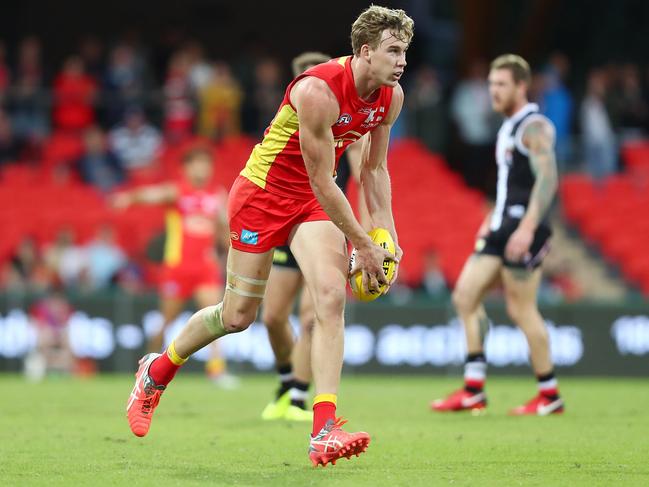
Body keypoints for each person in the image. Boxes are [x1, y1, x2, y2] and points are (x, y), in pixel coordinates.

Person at [125, 5, 413, 467]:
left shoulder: (391, 96)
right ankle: (156, 371)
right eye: (393, 51)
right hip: (261, 195)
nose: (402, 61)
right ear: (364, 51)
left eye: (405, 51)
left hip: (313, 202)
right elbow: (323, 178)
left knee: (330, 297)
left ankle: (323, 429)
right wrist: (361, 242)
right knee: (237, 317)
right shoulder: (318, 91)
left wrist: (387, 237)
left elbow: (375, 170)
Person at [431, 54, 563, 416]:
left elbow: (547, 179)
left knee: (521, 309)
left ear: (521, 86)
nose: (494, 91)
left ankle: (549, 395)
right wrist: (493, 215)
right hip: (502, 224)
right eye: (491, 84)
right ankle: (474, 389)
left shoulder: (533, 127)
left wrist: (527, 226)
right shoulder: (507, 126)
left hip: (525, 227)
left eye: (501, 84)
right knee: (464, 296)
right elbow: (513, 184)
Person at [259, 52, 367, 423]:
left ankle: (302, 397)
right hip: (288, 219)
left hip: (324, 221)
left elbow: (366, 174)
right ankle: (288, 382)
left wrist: (366, 234)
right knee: (272, 316)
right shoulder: (296, 113)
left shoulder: (349, 125)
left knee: (314, 312)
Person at [112, 146, 235, 385]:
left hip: (205, 268)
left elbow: (224, 231)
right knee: (166, 322)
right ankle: (148, 364)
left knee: (217, 318)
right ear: (186, 168)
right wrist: (128, 197)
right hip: (177, 267)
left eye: (205, 164)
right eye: (197, 164)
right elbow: (150, 195)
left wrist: (233, 251)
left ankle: (216, 369)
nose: (202, 169)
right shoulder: (177, 191)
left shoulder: (217, 195)